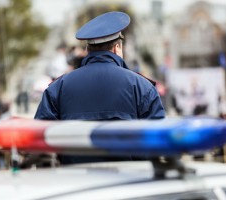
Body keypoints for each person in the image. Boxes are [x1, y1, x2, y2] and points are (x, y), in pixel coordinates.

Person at [34, 11, 165, 165]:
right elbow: (158, 142)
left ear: (88, 50)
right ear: (117, 48)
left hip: (74, 182)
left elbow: (39, 139)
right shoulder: (143, 87)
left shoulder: (58, 87)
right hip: (129, 182)